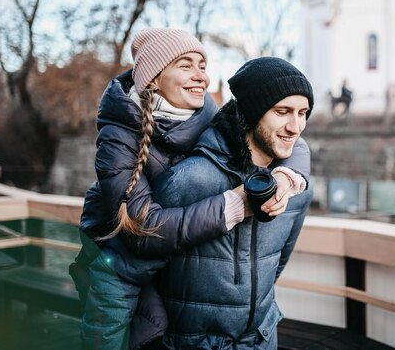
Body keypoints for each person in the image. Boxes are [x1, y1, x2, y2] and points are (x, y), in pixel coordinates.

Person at [70, 29, 310, 350]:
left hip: (188, 270)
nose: (202, 76)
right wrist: (234, 206)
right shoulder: (120, 136)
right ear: (154, 78)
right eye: (186, 65)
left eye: (203, 65)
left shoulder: (207, 116)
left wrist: (288, 177)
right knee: (132, 323)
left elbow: (288, 140)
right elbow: (141, 231)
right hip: (119, 246)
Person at [132, 57, 315, 349]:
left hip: (262, 340)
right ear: (253, 113)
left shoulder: (298, 189)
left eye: (303, 113)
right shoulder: (189, 180)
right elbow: (140, 266)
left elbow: (276, 266)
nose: (295, 126)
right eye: (283, 112)